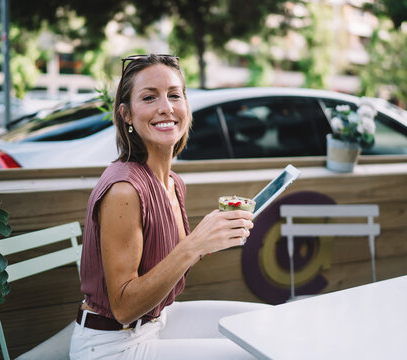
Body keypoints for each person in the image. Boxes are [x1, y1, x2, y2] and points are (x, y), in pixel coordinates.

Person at [69, 54, 269, 359]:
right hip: (111, 345)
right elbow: (123, 307)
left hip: (156, 321)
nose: (167, 107)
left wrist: (211, 239)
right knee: (256, 353)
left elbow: (166, 260)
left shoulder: (173, 182)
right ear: (126, 114)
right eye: (149, 97)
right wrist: (192, 245)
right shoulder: (124, 189)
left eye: (175, 95)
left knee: (265, 325)